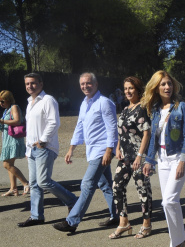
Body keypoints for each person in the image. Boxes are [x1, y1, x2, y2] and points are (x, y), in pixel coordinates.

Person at [53, 72, 119, 233]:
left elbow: (112, 129)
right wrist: (71, 149)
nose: (85, 86)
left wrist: (109, 151)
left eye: (88, 83)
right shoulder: (84, 103)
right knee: (105, 184)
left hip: (102, 151)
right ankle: (116, 215)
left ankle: (72, 221)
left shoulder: (105, 103)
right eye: (82, 84)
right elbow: (79, 127)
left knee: (87, 184)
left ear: (96, 85)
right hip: (93, 151)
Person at [18, 73, 77, 227]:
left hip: (44, 147)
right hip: (31, 149)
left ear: (41, 84)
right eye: (27, 84)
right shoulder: (29, 103)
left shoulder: (47, 100)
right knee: (34, 183)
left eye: (33, 83)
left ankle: (72, 200)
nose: (30, 86)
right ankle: (36, 216)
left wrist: (43, 140)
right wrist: (27, 149)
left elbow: (54, 122)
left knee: (43, 181)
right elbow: (30, 128)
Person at [143, 70, 185, 247]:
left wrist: (182, 161)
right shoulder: (155, 110)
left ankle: (178, 243)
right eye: (163, 84)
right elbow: (153, 138)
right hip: (162, 159)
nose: (167, 87)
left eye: (169, 83)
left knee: (169, 200)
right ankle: (177, 241)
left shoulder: (182, 107)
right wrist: (149, 160)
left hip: (178, 157)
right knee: (169, 204)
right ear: (156, 88)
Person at [109, 76, 152, 239]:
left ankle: (146, 224)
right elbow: (122, 131)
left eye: (131, 88)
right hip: (124, 157)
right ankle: (124, 223)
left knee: (143, 189)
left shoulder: (143, 107)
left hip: (138, 157)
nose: (127, 91)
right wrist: (118, 148)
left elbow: (147, 133)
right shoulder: (126, 109)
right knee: (117, 186)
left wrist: (140, 156)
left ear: (138, 89)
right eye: (125, 88)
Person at [0, 90, 29, 196]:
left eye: (3, 101)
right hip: (7, 139)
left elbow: (17, 121)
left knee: (6, 164)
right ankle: (13, 188)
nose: (1, 104)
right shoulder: (6, 110)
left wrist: (2, 121)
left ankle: (26, 183)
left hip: (14, 139)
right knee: (10, 165)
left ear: (8, 100)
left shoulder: (14, 107)